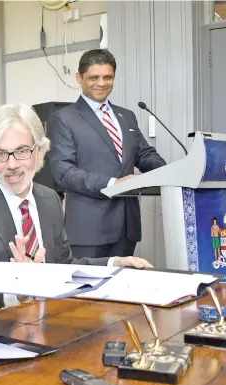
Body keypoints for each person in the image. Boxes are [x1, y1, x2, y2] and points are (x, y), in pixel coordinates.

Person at [0, 103, 153, 324]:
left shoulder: (49, 200)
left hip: (53, 323)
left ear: (40, 152)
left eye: (21, 151)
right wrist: (15, 292)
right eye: (0, 154)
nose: (11, 164)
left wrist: (113, 265)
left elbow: (62, 267)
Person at [47, 49, 167, 259]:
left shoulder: (127, 116)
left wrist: (169, 171)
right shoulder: (64, 119)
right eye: (94, 77)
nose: (101, 83)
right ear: (79, 77)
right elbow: (64, 172)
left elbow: (144, 155)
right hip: (89, 229)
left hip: (127, 228)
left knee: (123, 288)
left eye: (107, 77)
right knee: (88, 291)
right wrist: (114, 184)